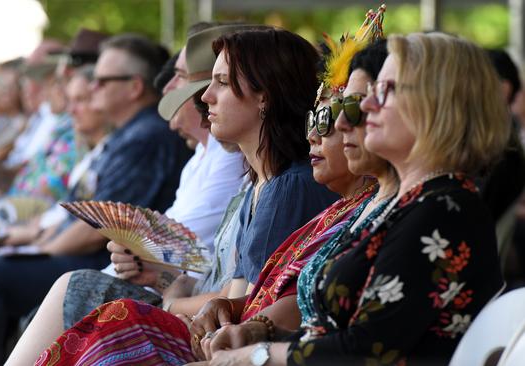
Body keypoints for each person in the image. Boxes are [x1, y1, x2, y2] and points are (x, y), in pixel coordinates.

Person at [32, 26, 351, 366]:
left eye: (222, 83)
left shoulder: (287, 187)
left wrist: (171, 299)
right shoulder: (260, 184)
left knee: (83, 293)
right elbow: (234, 299)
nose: (205, 96)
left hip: (237, 346)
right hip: (218, 328)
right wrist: (169, 285)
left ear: (265, 96)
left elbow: (250, 311)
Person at [212, 32, 511, 366]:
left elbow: (363, 351)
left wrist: (254, 356)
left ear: (441, 103)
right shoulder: (408, 202)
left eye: (387, 91)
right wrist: (258, 333)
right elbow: (340, 335)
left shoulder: (444, 209)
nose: (366, 106)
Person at [0, 34, 191, 366]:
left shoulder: (144, 137)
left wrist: (38, 249)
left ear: (134, 88)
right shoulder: (126, 134)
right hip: (98, 255)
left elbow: (100, 227)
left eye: (102, 81)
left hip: (103, 261)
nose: (92, 89)